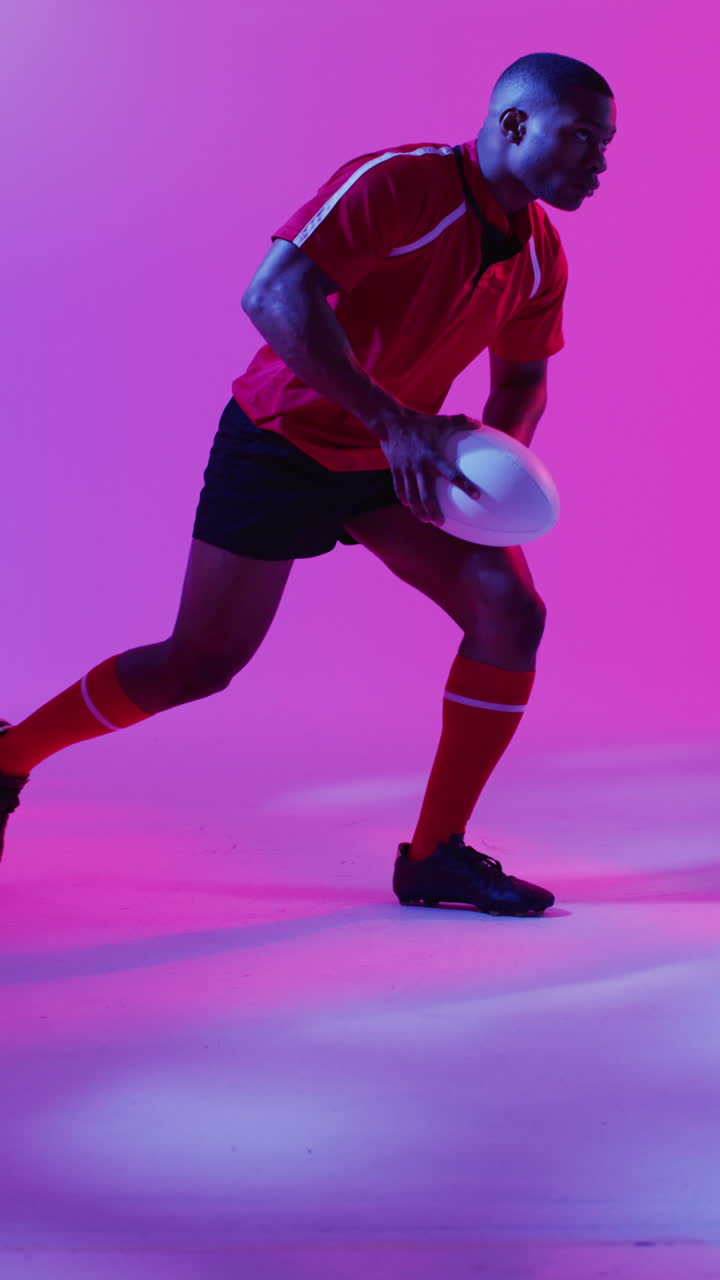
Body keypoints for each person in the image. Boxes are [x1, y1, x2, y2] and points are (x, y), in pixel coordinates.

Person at [0, 52, 616, 916]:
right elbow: (273, 295)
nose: (599, 161)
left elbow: (522, 380)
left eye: (606, 145)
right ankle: (8, 757)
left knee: (509, 610)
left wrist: (488, 478)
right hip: (284, 440)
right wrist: (392, 420)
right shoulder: (399, 184)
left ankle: (434, 855)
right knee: (198, 665)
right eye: (582, 136)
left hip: (396, 461)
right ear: (515, 123)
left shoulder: (541, 254)